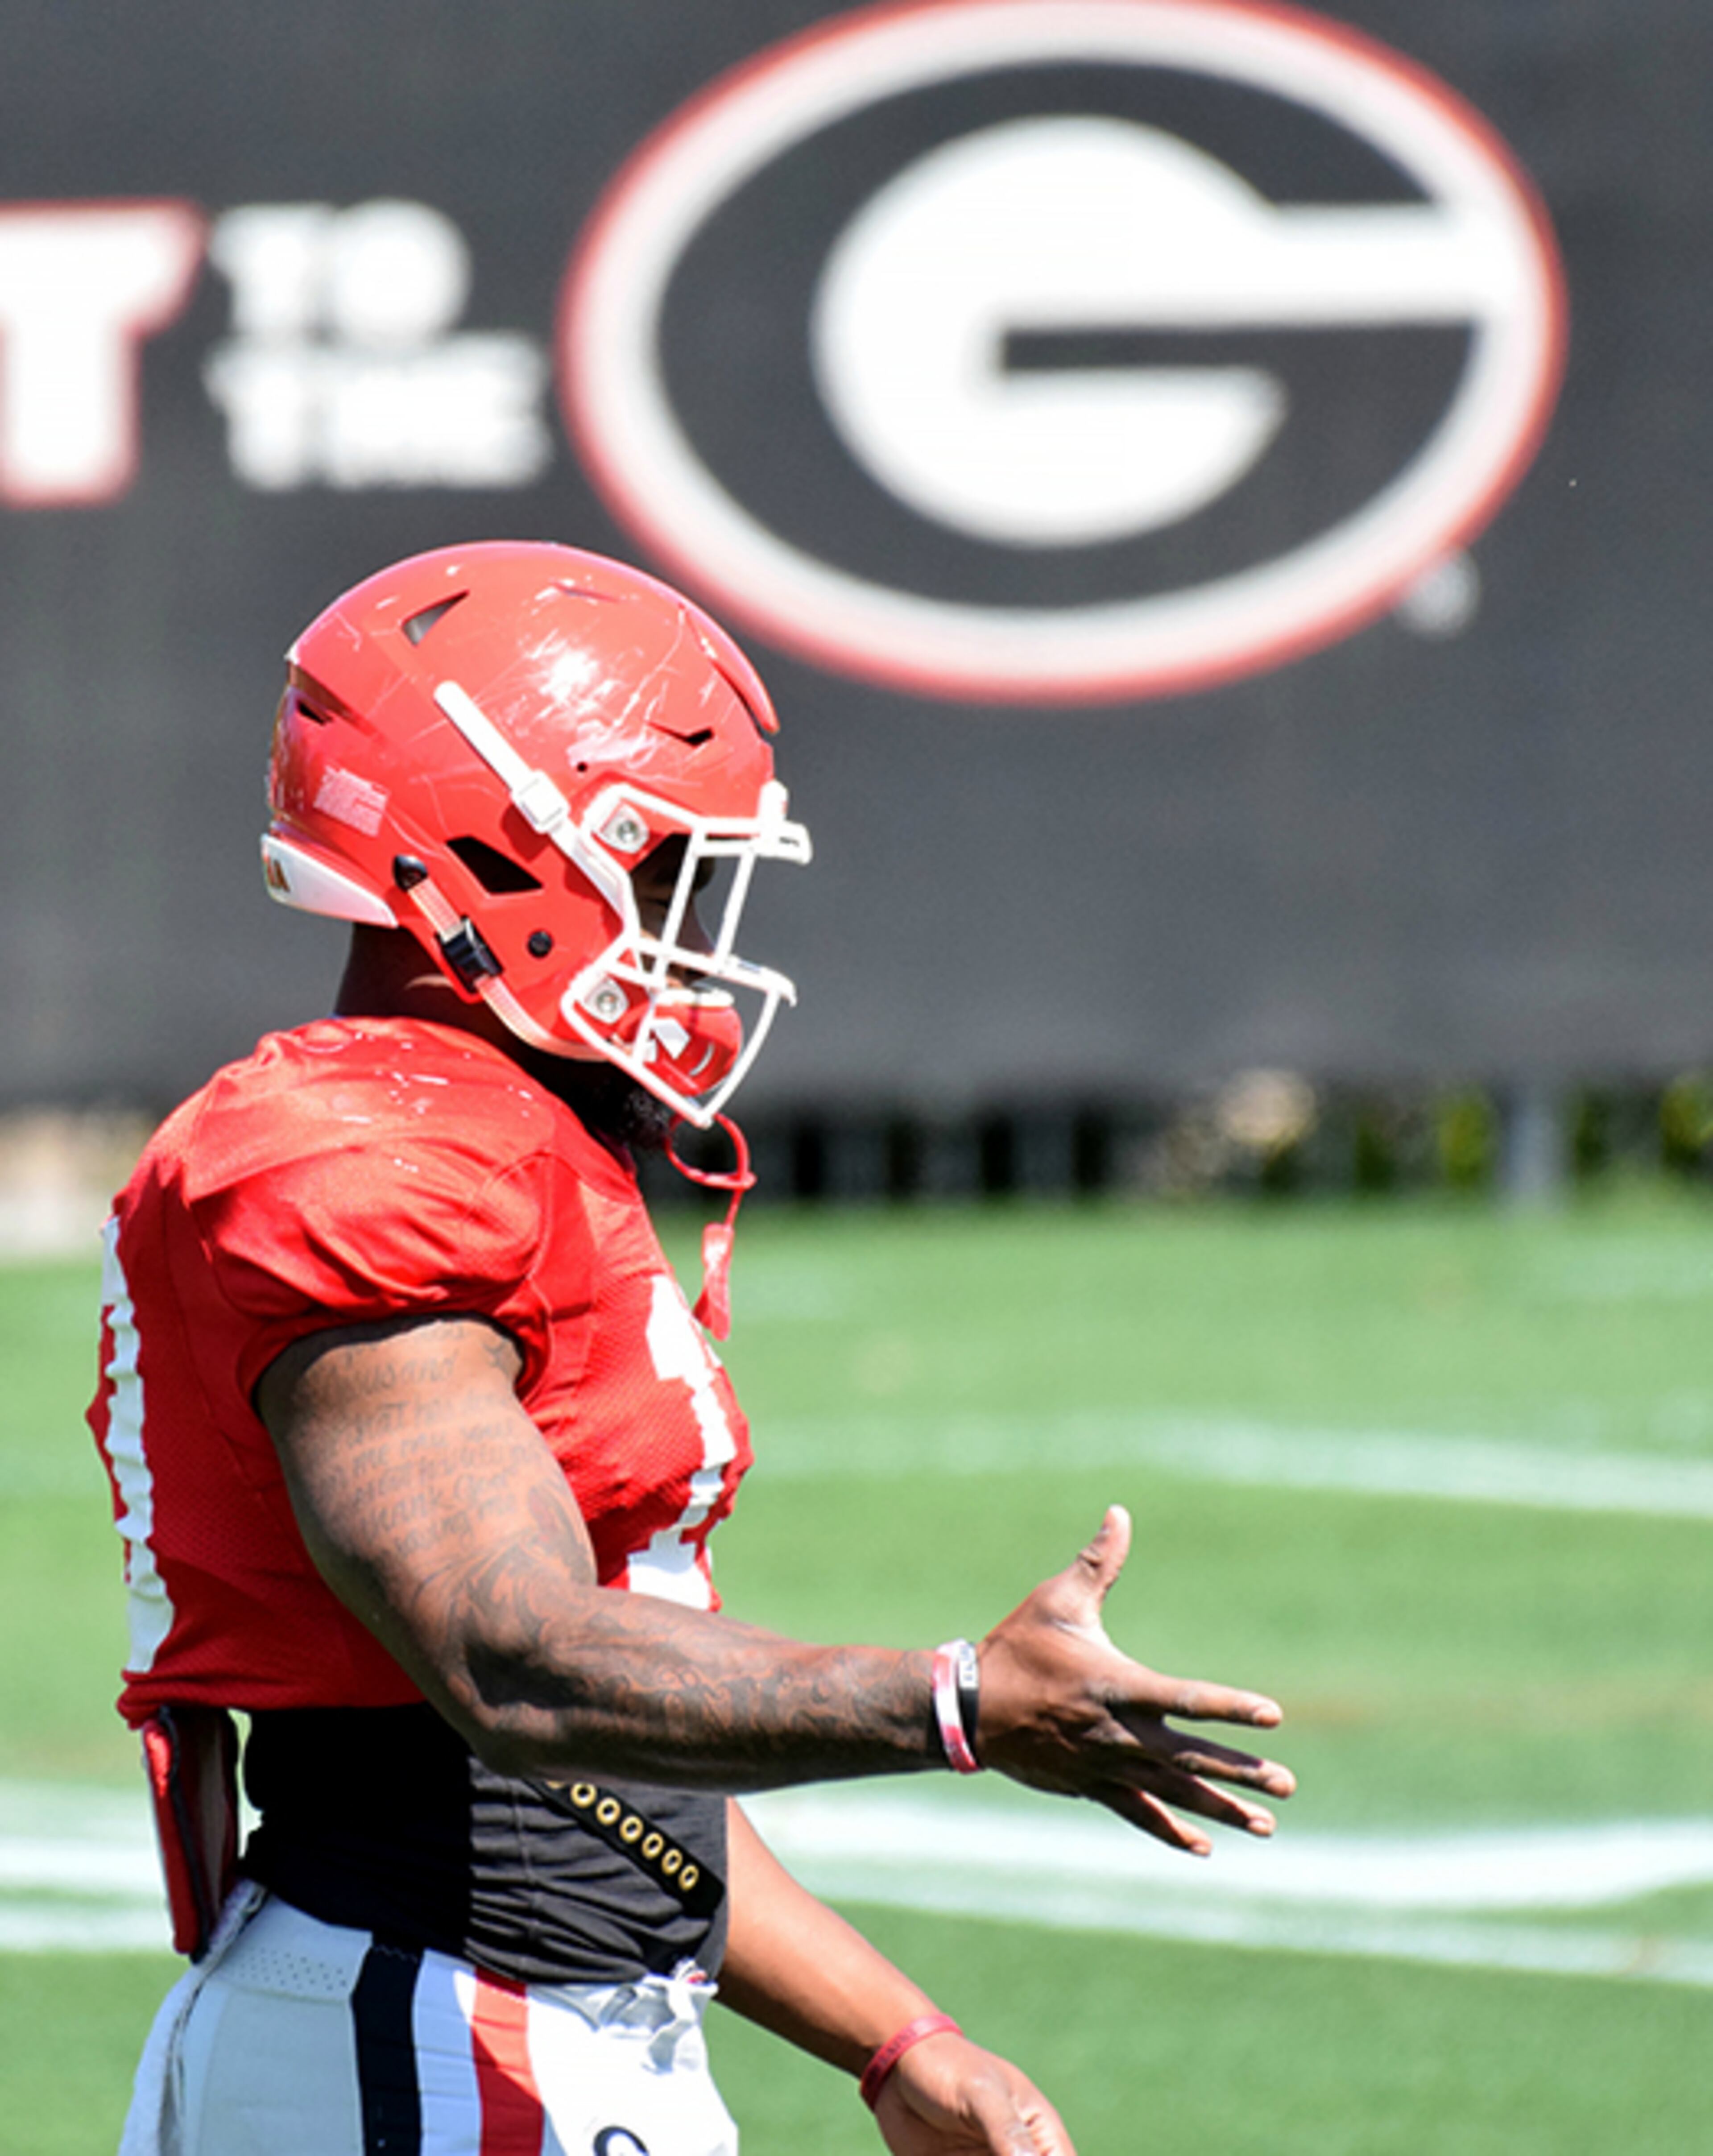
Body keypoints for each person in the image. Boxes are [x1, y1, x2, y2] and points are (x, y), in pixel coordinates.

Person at [89, 541, 1294, 2156]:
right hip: (429, 2034)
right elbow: (509, 1658)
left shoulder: (485, 1134)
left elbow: (602, 1777)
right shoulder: (366, 1159)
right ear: (499, 853)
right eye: (662, 867)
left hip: (504, 2020)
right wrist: (954, 1701)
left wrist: (896, 2038)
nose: (691, 926)